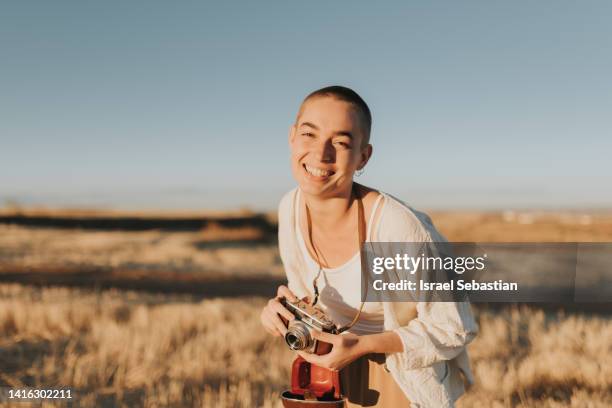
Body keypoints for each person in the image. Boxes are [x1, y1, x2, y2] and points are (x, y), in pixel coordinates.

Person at [260, 85, 478, 407]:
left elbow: (454, 328)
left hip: (400, 379)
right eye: (309, 134)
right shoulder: (288, 208)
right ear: (292, 137)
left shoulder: (397, 228)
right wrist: (283, 310)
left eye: (341, 142)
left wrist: (362, 346)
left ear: (363, 155)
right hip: (326, 377)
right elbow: (308, 297)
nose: (322, 154)